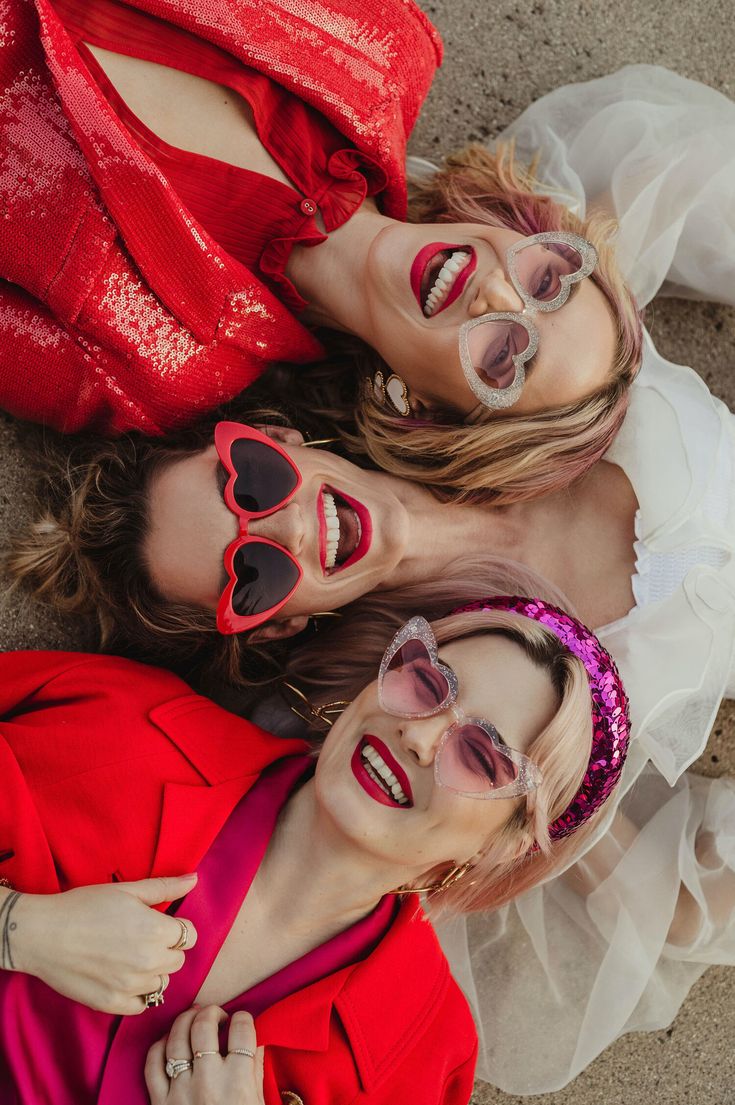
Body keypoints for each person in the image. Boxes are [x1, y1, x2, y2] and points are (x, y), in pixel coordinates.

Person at [0, 0, 641, 504]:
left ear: (424, 411)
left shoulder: (156, 376)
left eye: (504, 357)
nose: (500, 296)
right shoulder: (383, 44)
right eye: (549, 281)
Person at [0, 594, 631, 1105]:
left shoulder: (421, 1061)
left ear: (507, 844)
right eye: (426, 683)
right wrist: (16, 928)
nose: (417, 734)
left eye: (478, 755)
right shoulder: (122, 721)